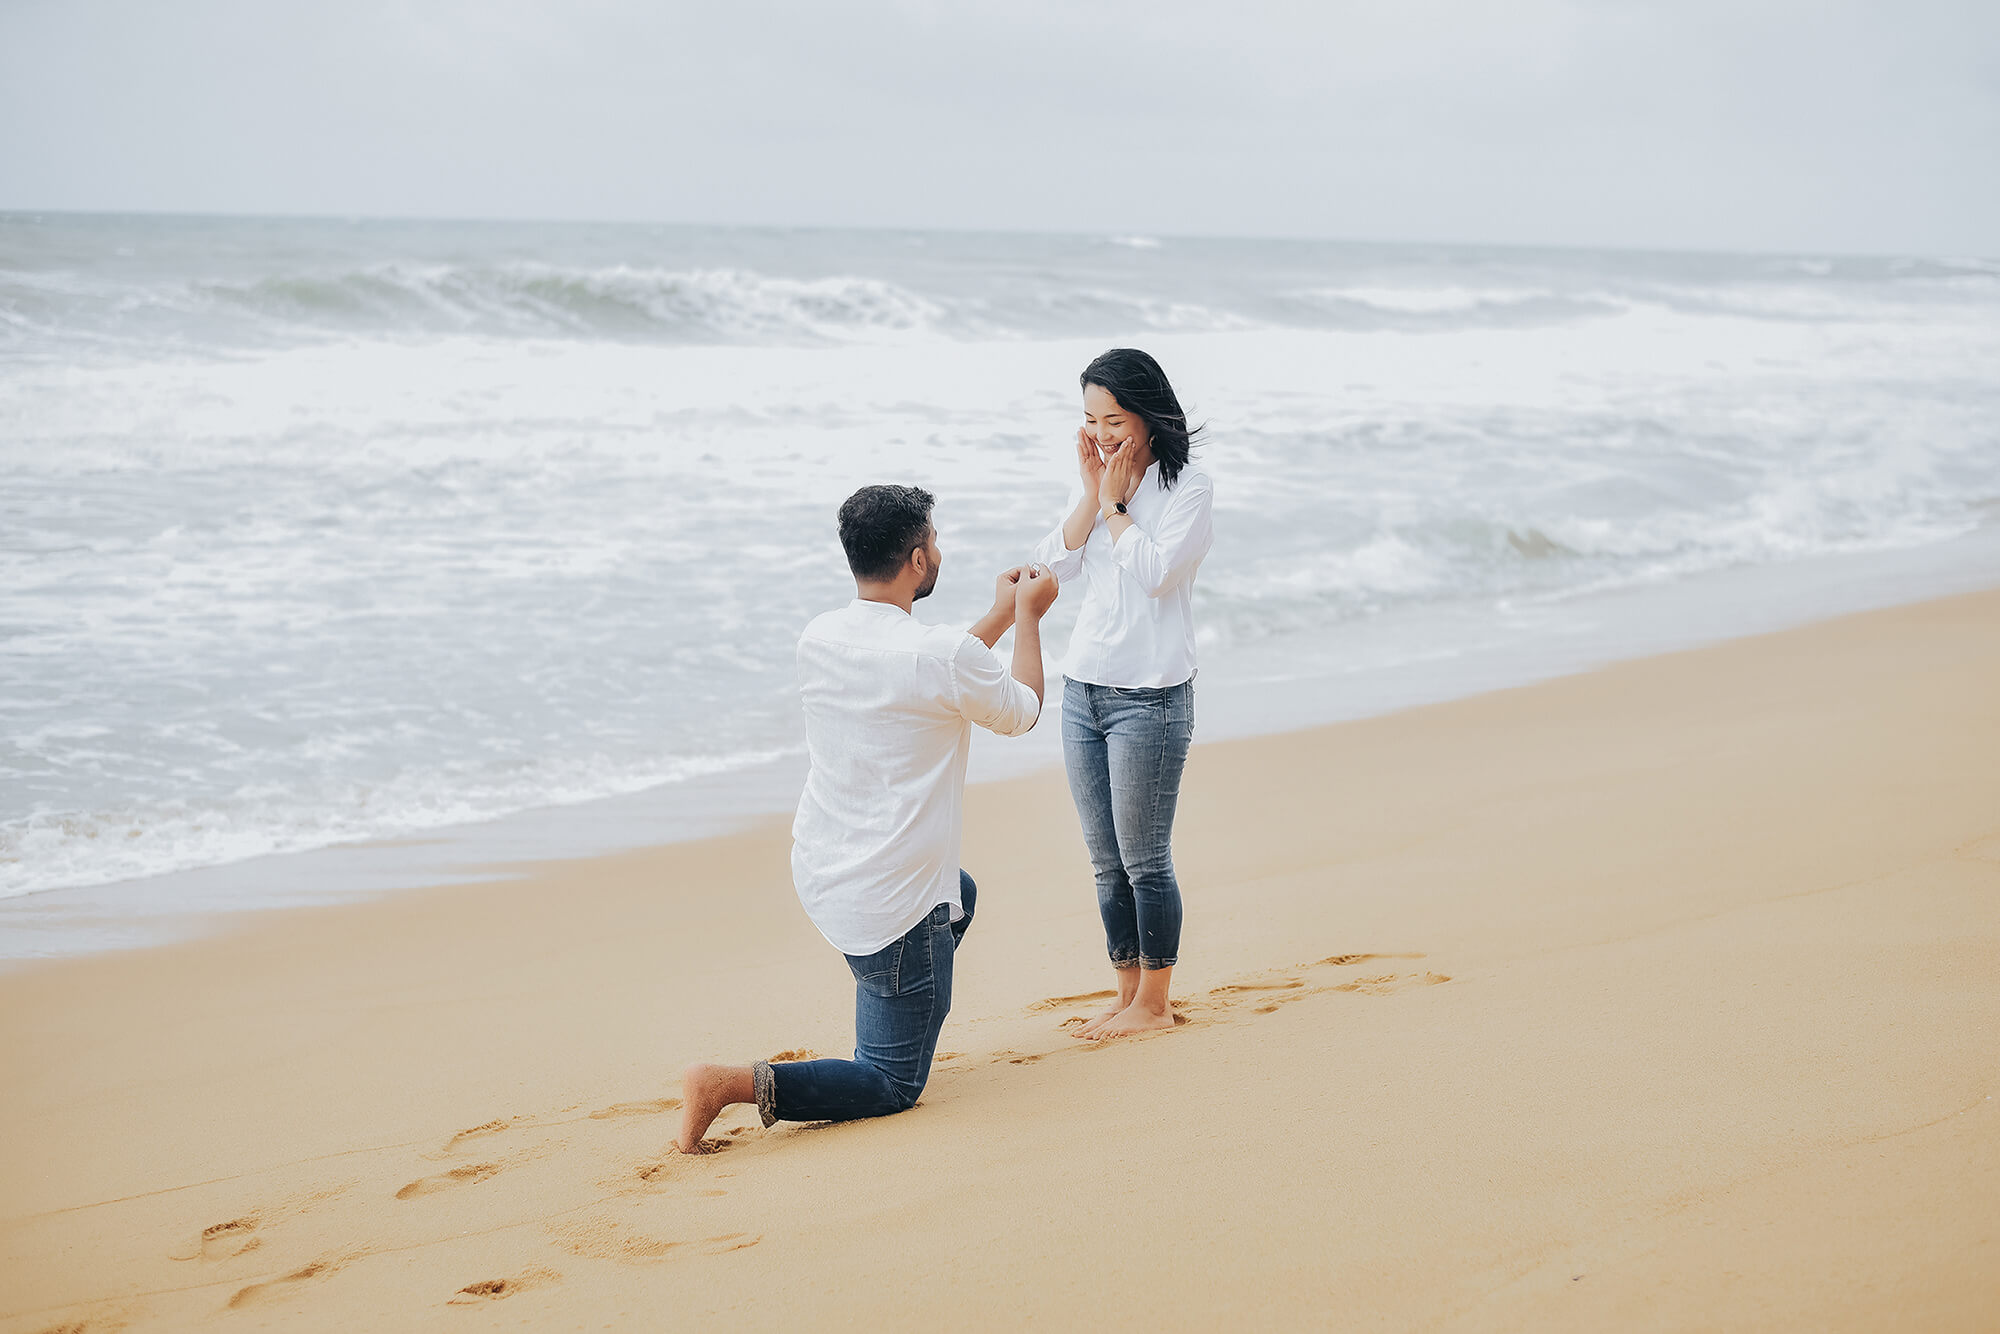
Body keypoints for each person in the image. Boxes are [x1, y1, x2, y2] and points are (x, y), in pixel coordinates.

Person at [677, 484, 1058, 1150]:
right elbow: (1019, 706)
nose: (939, 550)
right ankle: (728, 1083)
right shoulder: (939, 657)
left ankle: (900, 994)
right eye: (934, 541)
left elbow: (935, 673)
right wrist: (1029, 616)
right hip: (889, 907)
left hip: (825, 872)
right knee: (891, 1082)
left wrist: (995, 614)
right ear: (916, 559)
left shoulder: (819, 637)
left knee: (959, 893)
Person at [1032, 348, 1214, 1040]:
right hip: (1084, 691)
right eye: (1090, 419)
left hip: (1153, 697)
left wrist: (1115, 506)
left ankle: (1156, 1005)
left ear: (1147, 413)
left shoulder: (1189, 488)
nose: (1102, 433)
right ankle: (1127, 992)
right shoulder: (1104, 483)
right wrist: (1091, 495)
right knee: (1105, 860)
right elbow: (1054, 568)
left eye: (1114, 419)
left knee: (1145, 859)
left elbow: (1157, 574)